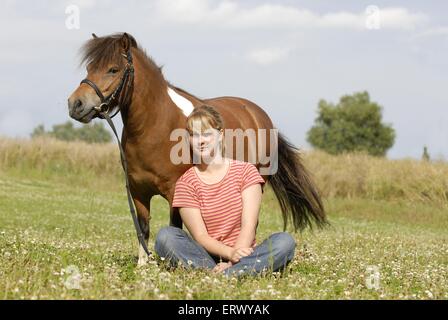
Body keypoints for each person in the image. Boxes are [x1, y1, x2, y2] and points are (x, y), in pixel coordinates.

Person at [155, 105, 296, 277]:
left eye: (207, 134)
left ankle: (225, 274)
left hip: (245, 253)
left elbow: (249, 225)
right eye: (194, 135)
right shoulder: (186, 183)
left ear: (220, 135)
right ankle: (232, 273)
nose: (200, 141)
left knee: (284, 242)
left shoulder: (246, 171)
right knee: (165, 236)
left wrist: (233, 260)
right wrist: (228, 254)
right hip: (205, 256)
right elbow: (200, 236)